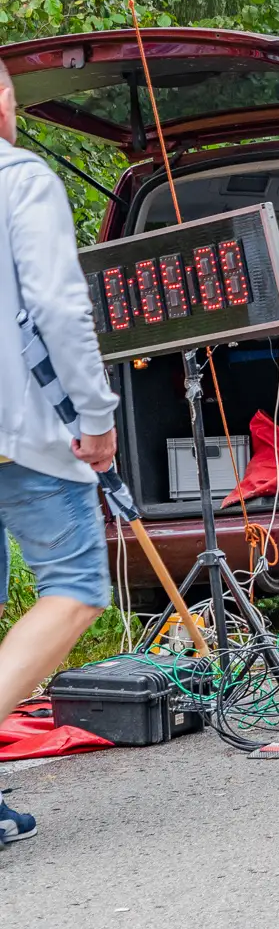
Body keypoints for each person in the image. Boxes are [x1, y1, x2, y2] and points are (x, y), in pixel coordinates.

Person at [0, 65, 121, 845]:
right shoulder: (19, 178)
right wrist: (97, 416)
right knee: (74, 587)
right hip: (20, 431)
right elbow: (57, 306)